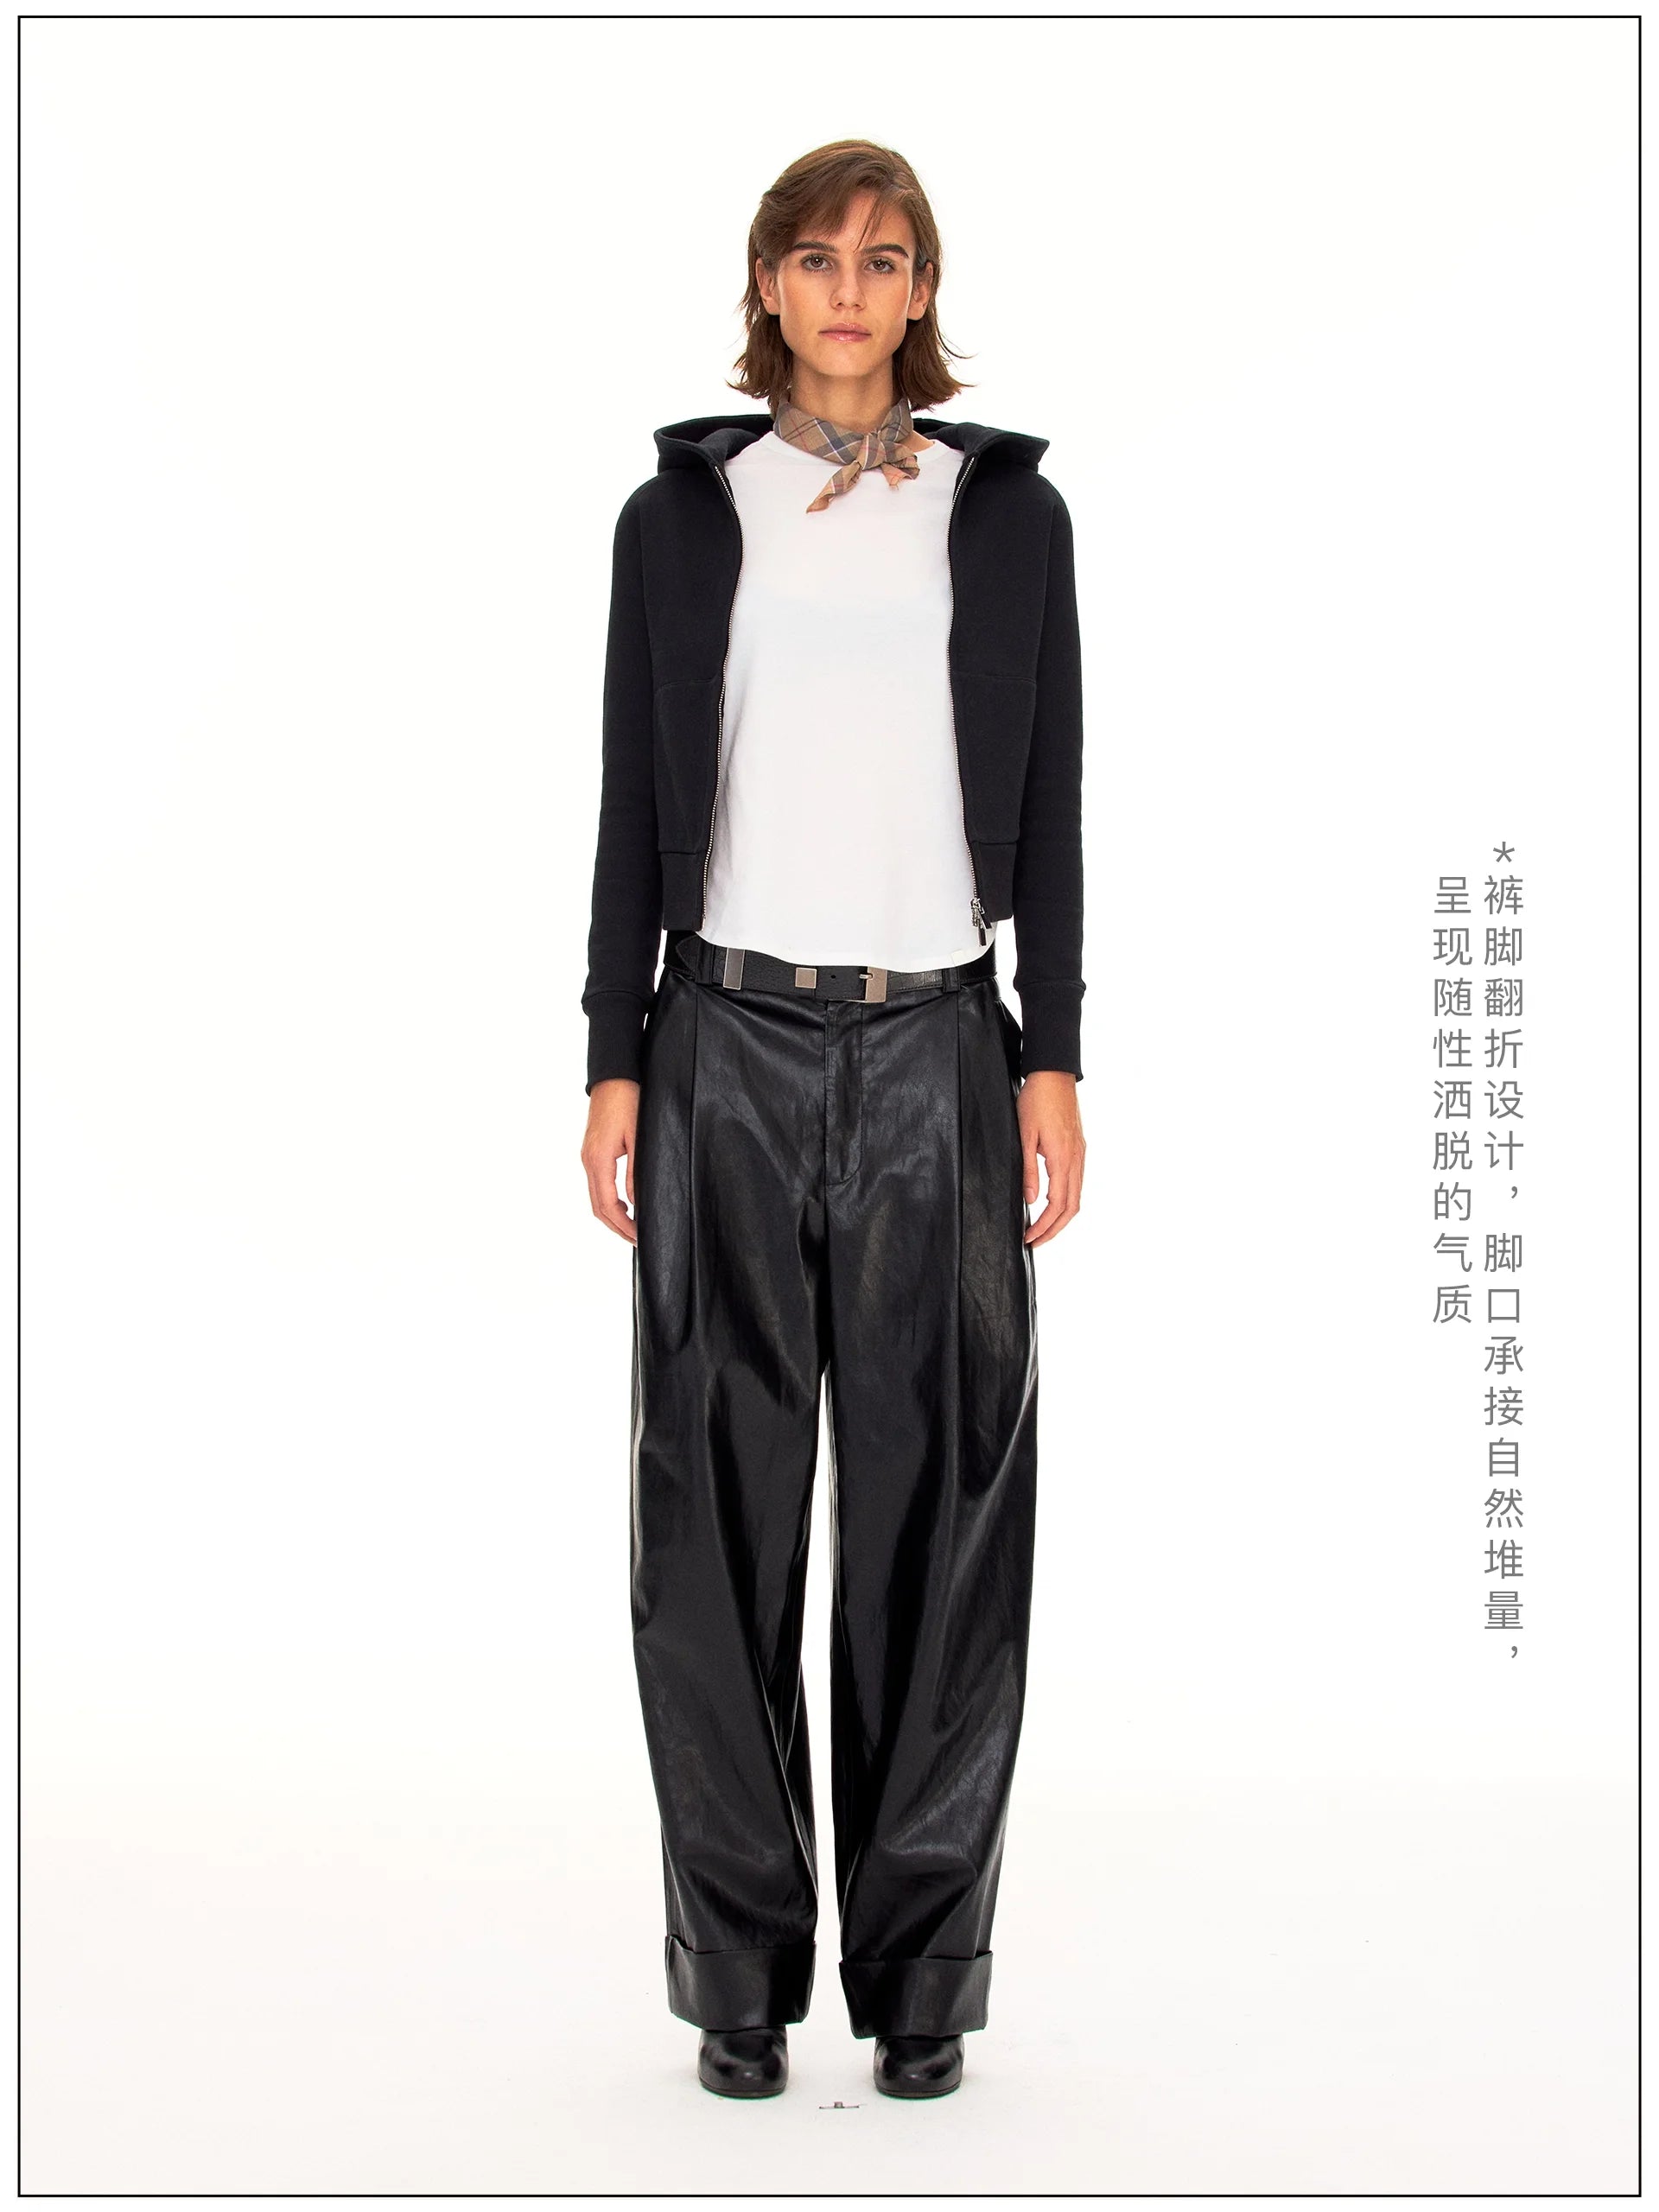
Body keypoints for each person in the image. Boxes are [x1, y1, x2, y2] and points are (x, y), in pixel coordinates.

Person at [579, 138, 1086, 2102]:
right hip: (725, 1040)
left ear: (922, 287)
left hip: (940, 1042)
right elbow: (631, 796)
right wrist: (612, 1052)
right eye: (816, 257)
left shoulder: (1006, 514)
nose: (850, 289)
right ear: (770, 287)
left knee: (941, 1523)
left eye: (884, 258)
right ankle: (738, 1967)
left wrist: (1055, 1052)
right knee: (708, 1520)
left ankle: (925, 1968)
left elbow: (1057, 796)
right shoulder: (682, 515)